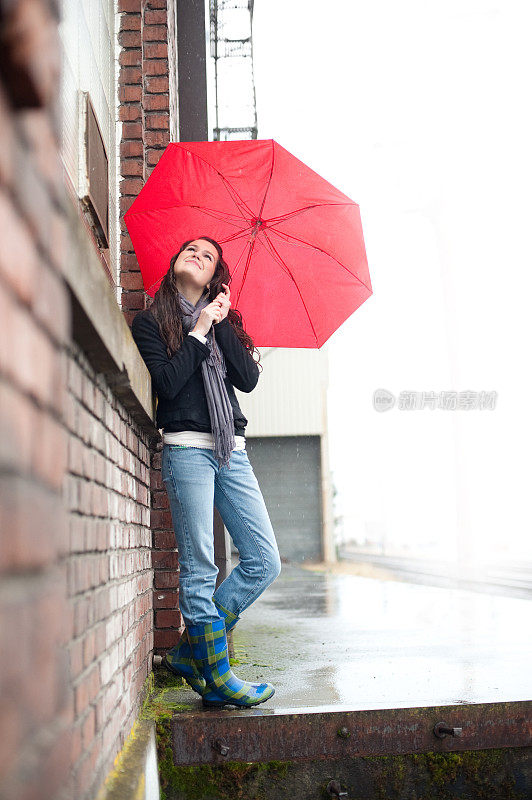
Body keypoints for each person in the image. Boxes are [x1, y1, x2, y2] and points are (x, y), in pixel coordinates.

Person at [131, 236, 282, 708]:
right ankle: (216, 676)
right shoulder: (151, 322)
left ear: (216, 276)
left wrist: (219, 321)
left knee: (263, 560)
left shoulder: (221, 321)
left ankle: (193, 651)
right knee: (201, 567)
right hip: (187, 449)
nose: (198, 254)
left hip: (231, 449)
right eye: (191, 249)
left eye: (209, 255)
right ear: (175, 261)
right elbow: (168, 385)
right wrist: (196, 332)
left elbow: (249, 380)